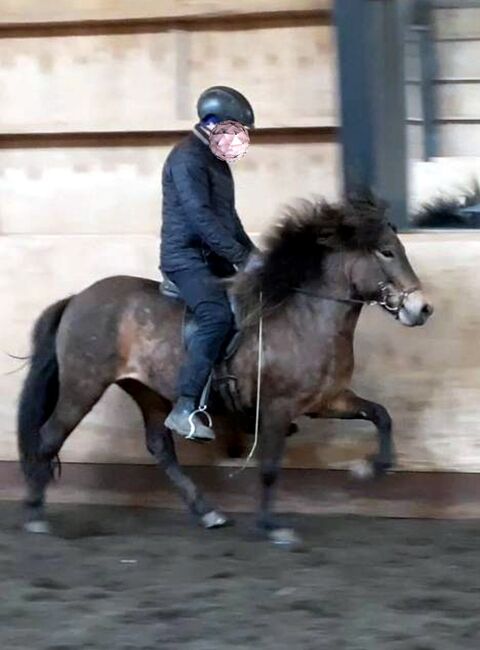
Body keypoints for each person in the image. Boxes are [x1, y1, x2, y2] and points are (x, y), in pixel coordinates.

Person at [160, 86, 256, 442]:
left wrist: (256, 256)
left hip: (214, 259)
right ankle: (184, 408)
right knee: (217, 317)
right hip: (185, 260)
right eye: (235, 129)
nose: (240, 138)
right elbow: (201, 219)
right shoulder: (186, 158)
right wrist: (240, 258)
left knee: (253, 306)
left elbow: (229, 220)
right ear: (212, 123)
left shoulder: (217, 164)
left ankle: (235, 402)